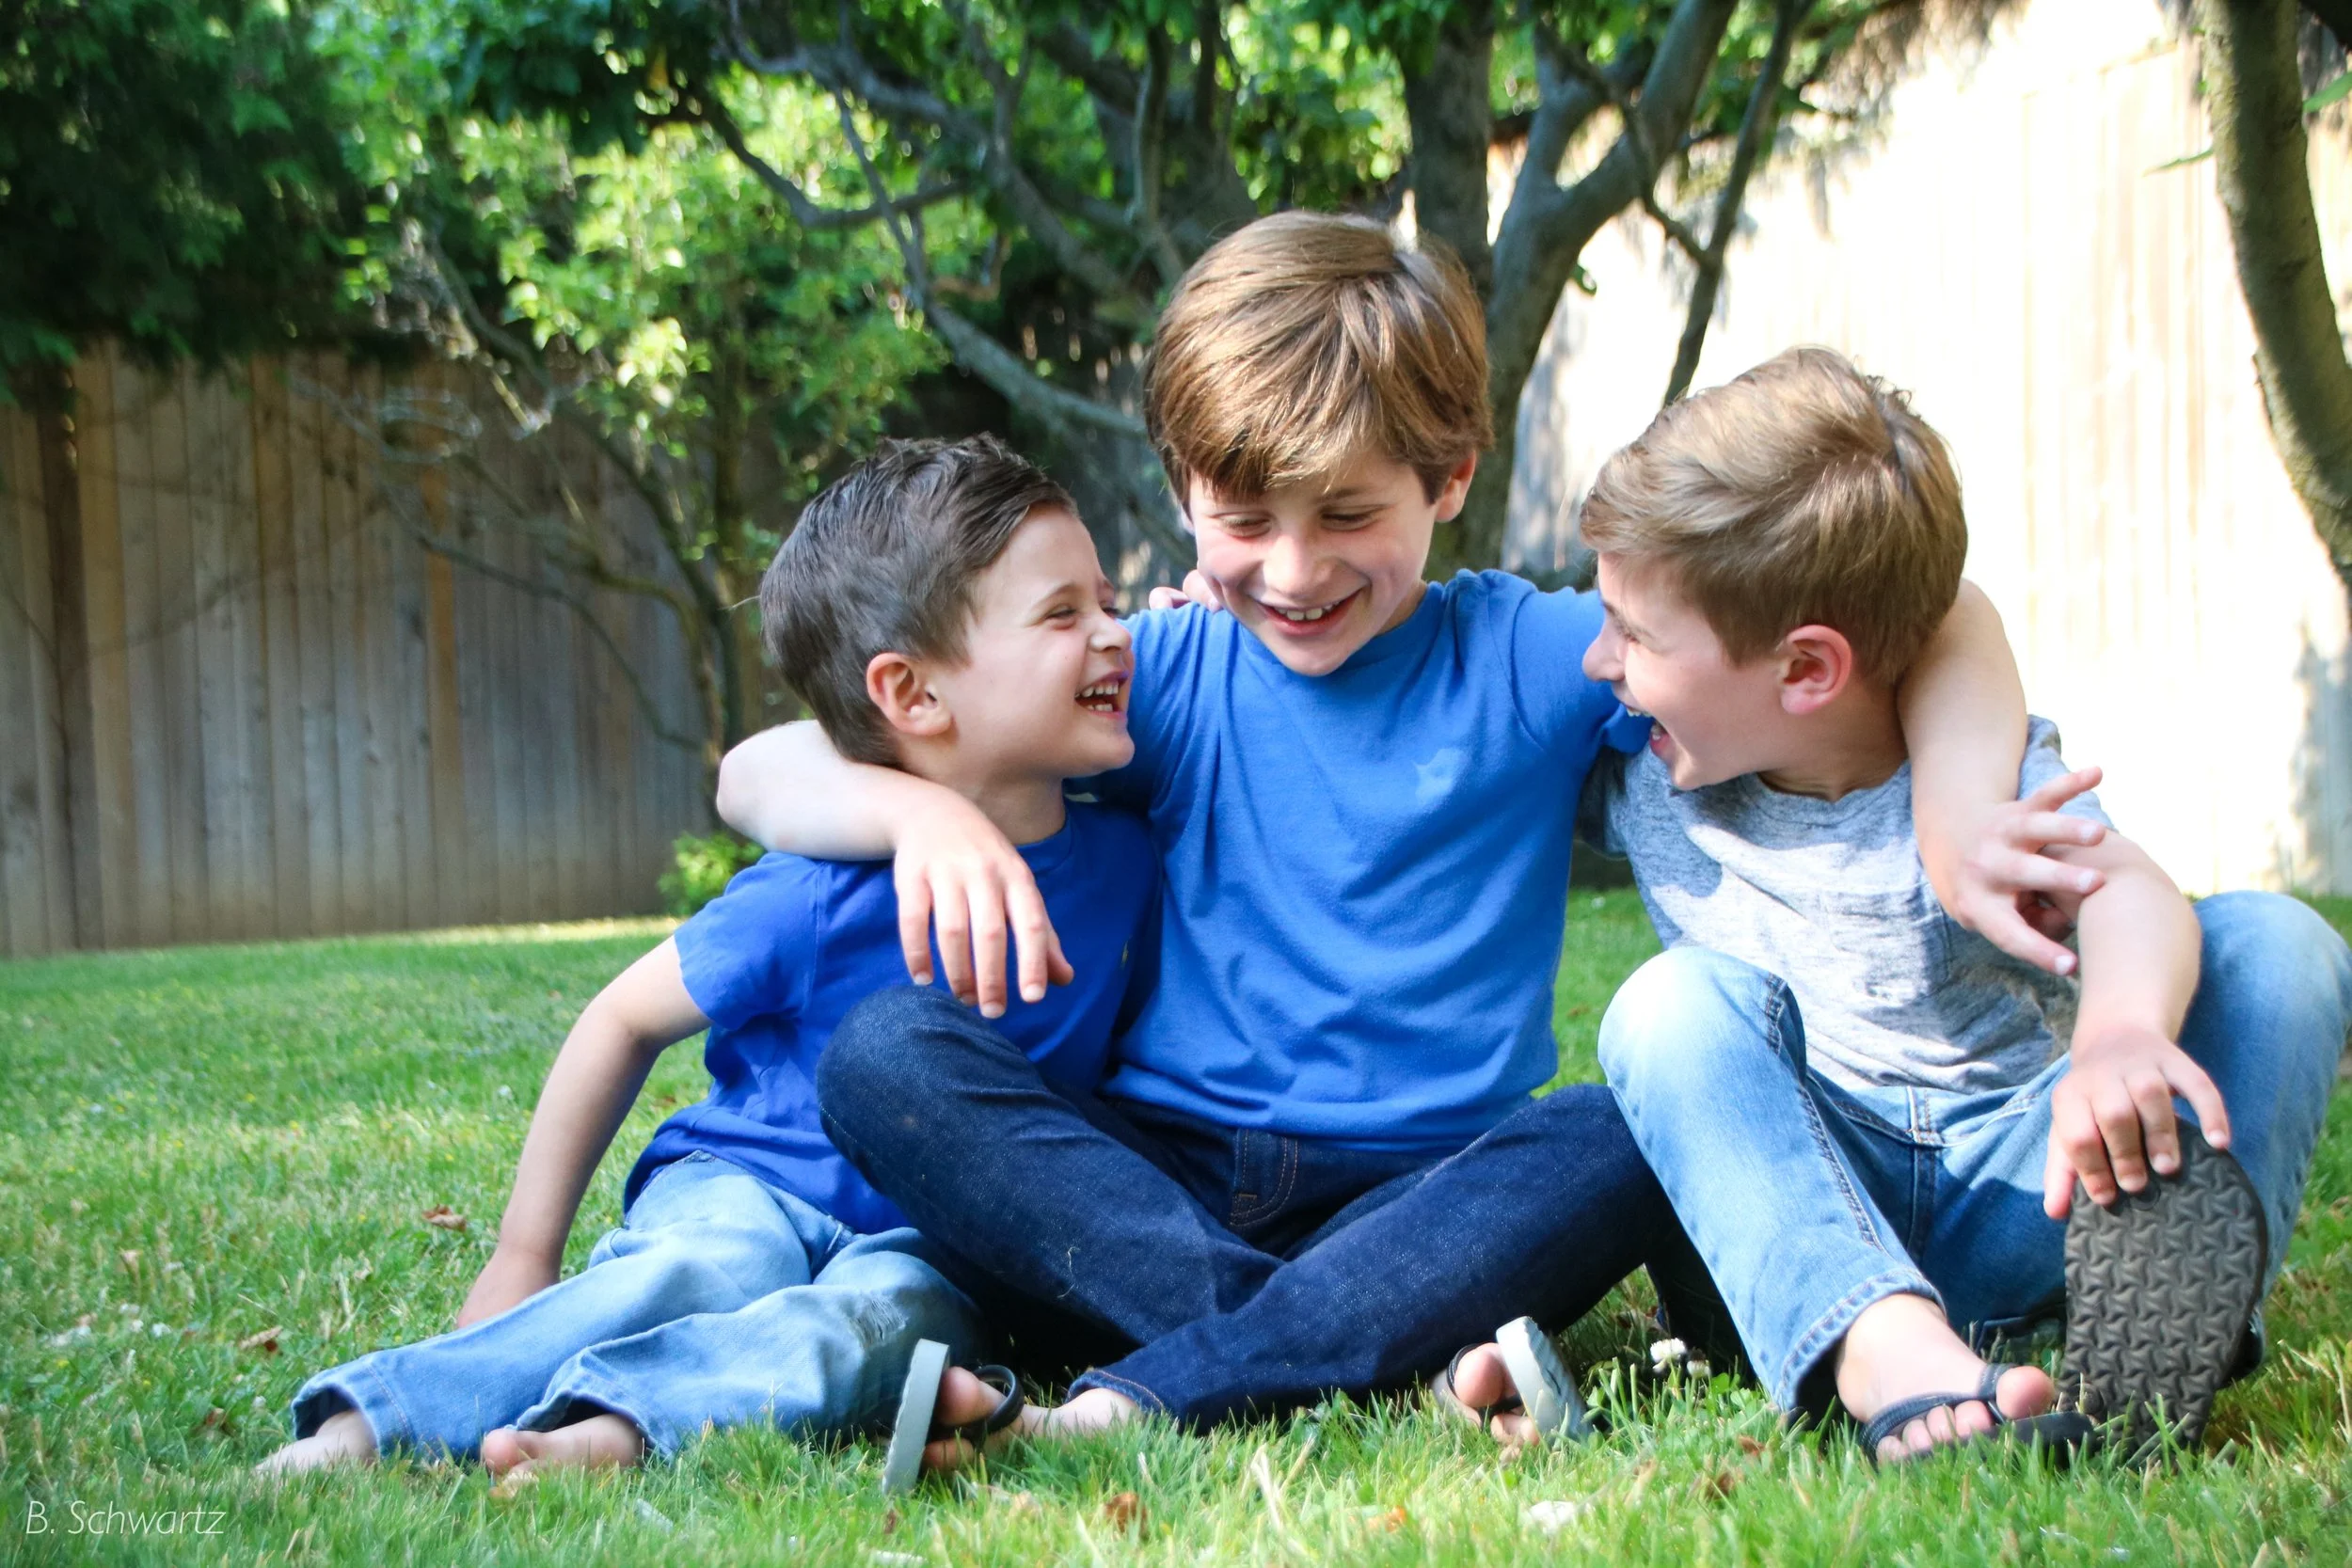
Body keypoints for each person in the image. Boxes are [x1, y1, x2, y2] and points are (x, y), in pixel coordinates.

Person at [715, 214, 2057, 1470]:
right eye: (1244, 522)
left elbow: (1941, 610)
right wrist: (921, 806)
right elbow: (757, 767)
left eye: (1348, 514)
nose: (1293, 572)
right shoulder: (1166, 668)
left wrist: (1956, 807)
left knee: (1614, 1127)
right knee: (886, 1054)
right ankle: (1315, 1348)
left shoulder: (1536, 654)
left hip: (1428, 1199)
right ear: (1182, 492)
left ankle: (1177, 1378)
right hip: (1144, 1184)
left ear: (1451, 476)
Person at [1450, 347, 2352, 1463]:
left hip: (2032, 1186)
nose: (1598, 659)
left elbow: (2127, 889)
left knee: (2280, 946)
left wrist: (2120, 1034)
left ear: (1807, 669)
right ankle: (1876, 1344)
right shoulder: (1647, 766)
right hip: (1791, 1200)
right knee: (1664, 1006)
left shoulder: (1978, 781)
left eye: (1634, 634)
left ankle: (2168, 1323)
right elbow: (1432, 737)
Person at [256, 436, 1156, 1483]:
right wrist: (521, 1251)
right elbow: (621, 1019)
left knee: (889, 1324)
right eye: (1064, 614)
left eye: (1107, 601)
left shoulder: (1125, 862)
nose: (1114, 634)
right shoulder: (823, 883)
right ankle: (370, 1421)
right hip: (749, 1181)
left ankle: (610, 1433)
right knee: (711, 1263)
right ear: (912, 693)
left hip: (933, 1233)